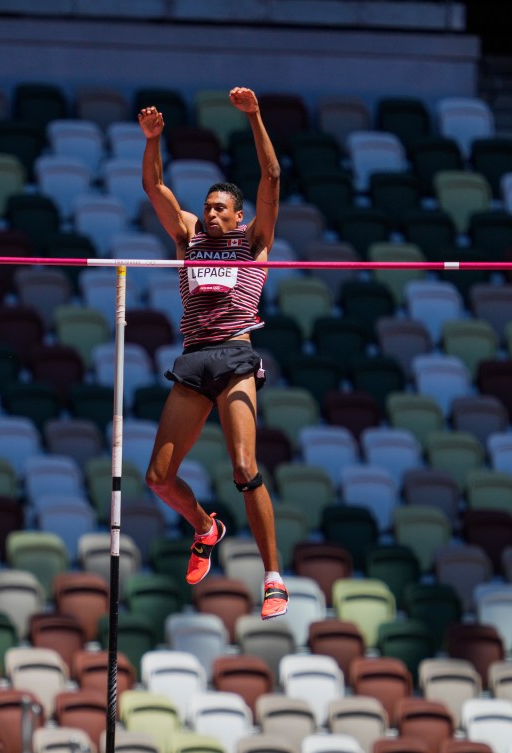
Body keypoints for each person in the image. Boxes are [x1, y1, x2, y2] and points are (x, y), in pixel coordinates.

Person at [139, 86, 288, 619]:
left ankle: (273, 577)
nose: (209, 214)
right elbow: (154, 186)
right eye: (205, 207)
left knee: (244, 465)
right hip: (194, 358)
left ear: (238, 214)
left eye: (219, 208)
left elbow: (271, 178)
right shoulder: (187, 238)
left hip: (235, 356)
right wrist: (153, 140)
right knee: (157, 479)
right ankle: (206, 527)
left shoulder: (254, 241)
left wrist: (255, 116)